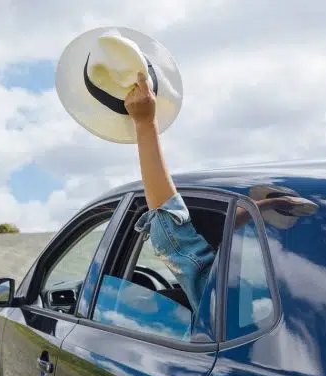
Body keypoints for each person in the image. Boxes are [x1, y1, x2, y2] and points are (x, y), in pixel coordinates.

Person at [124, 72, 301, 316]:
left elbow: (171, 234)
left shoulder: (232, 304)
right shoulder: (301, 291)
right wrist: (257, 208)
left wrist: (144, 124)